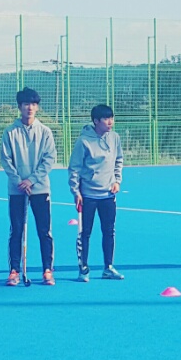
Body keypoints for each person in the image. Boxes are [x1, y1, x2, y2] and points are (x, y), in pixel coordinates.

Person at [1, 87, 58, 285]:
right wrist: (19, 181)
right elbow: (6, 160)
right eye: (26, 104)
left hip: (40, 189)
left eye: (33, 104)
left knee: (44, 230)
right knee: (16, 230)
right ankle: (14, 271)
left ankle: (47, 270)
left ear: (37, 107)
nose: (30, 108)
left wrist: (32, 180)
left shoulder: (45, 132)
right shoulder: (10, 132)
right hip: (16, 190)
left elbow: (49, 159)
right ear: (19, 107)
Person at [68, 103, 125, 282]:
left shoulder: (114, 138)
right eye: (106, 119)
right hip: (88, 195)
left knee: (109, 231)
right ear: (96, 121)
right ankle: (83, 268)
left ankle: (108, 267)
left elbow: (119, 160)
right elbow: (74, 168)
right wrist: (76, 191)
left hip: (108, 194)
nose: (110, 122)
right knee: (85, 233)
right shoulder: (83, 141)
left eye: (111, 118)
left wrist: (117, 180)